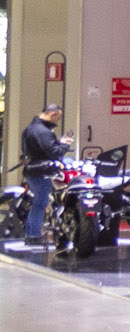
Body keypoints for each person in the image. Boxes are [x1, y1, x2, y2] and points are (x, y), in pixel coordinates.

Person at [18, 101, 68, 246]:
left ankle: (30, 234)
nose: (57, 122)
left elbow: (35, 149)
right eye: (57, 118)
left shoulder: (29, 129)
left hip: (31, 170)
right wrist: (65, 144)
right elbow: (53, 152)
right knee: (40, 204)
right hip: (42, 172)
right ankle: (33, 236)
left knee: (37, 203)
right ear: (52, 114)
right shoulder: (43, 131)